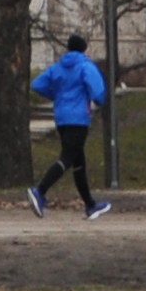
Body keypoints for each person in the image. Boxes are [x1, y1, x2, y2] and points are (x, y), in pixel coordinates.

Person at [25, 32, 113, 218]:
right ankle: (39, 191)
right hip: (79, 119)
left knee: (78, 163)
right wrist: (98, 101)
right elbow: (98, 91)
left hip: (62, 119)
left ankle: (90, 205)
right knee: (67, 158)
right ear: (84, 49)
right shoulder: (85, 66)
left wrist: (56, 96)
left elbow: (37, 84)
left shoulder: (58, 68)